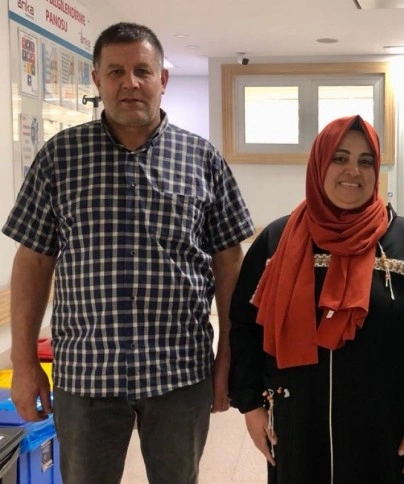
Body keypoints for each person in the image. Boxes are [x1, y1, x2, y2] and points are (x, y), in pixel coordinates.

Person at [2, 22, 254, 484]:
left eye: (142, 70)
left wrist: (228, 356)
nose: (130, 83)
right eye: (116, 71)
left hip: (179, 372)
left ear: (163, 79)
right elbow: (33, 260)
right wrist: (23, 362)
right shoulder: (60, 158)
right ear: (97, 79)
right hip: (86, 375)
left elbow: (230, 260)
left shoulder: (203, 159)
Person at [229, 115, 404, 483]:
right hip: (299, 422)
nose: (353, 170)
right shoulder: (277, 241)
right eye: (340, 158)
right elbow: (244, 327)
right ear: (319, 163)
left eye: (366, 161)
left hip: (388, 426)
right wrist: (251, 404)